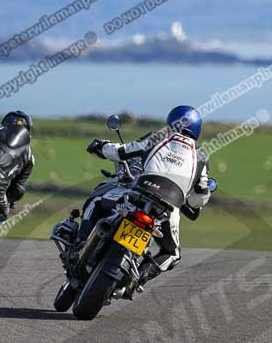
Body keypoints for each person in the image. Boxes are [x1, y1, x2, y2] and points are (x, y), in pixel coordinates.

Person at [83, 105, 211, 286]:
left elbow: (122, 152)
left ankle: (81, 245)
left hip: (140, 194)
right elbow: (200, 196)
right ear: (197, 129)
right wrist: (190, 202)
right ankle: (136, 280)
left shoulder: (158, 137)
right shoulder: (202, 156)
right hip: (169, 208)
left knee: (96, 200)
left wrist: (101, 146)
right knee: (172, 254)